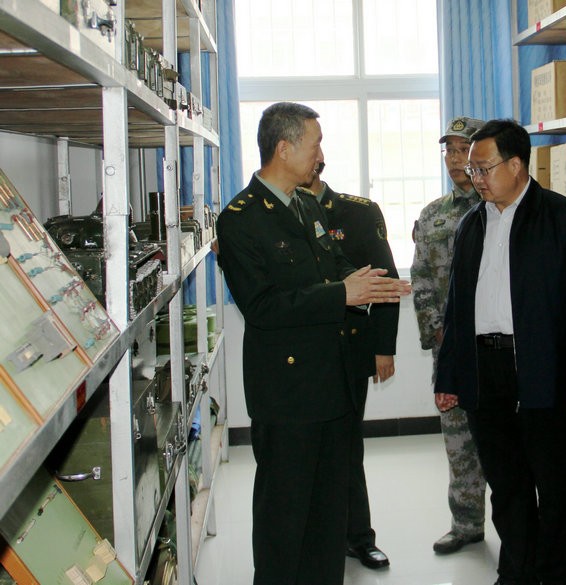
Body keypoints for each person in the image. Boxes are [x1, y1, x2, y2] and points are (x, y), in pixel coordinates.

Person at [215, 102, 410, 585]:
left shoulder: (305, 205)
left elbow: (332, 265)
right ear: (284, 148)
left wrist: (370, 283)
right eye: (315, 144)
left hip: (333, 381)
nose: (320, 155)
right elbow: (261, 307)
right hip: (288, 393)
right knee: (285, 512)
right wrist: (343, 293)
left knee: (328, 509)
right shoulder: (239, 219)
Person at [434, 118, 566, 585]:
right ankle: (517, 572)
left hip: (545, 367)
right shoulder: (471, 224)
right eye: (472, 169)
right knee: (506, 482)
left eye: (483, 168)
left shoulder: (565, 220)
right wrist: (449, 376)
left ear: (516, 165)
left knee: (556, 482)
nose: (475, 177)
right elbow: (456, 308)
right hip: (485, 368)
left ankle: (559, 575)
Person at [299, 161, 398, 570]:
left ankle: (358, 537)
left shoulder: (358, 212)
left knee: (346, 446)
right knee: (305, 450)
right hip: (299, 354)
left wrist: (383, 347)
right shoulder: (278, 213)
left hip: (350, 348)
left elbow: (386, 280)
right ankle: (316, 538)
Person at [411, 116, 488, 555]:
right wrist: (435, 330)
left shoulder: (500, 207)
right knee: (458, 439)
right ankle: (466, 523)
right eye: (451, 151)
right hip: (452, 349)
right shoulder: (433, 215)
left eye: (464, 151)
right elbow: (421, 275)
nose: (456, 160)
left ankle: (520, 525)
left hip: (499, 346)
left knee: (504, 439)